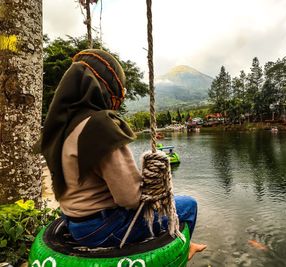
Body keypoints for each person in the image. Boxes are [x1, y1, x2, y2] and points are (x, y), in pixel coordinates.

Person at [40, 49, 206, 260]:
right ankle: (185, 249)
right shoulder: (100, 127)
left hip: (74, 221)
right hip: (101, 228)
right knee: (188, 205)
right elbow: (130, 198)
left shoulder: (62, 127)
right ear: (108, 88)